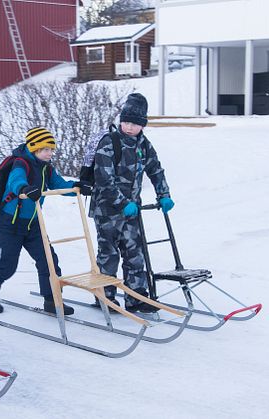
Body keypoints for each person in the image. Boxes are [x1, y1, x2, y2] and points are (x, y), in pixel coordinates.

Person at [0, 127, 91, 315]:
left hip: (33, 223)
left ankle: (52, 300)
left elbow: (60, 184)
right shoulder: (21, 164)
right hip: (11, 223)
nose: (49, 153)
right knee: (6, 264)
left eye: (51, 149)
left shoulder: (47, 168)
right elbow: (16, 181)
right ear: (34, 148)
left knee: (48, 260)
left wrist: (77, 187)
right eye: (45, 149)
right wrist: (25, 188)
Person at [89, 93, 175, 313]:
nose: (129, 127)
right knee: (109, 254)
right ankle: (104, 297)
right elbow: (103, 178)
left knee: (134, 253)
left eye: (135, 124)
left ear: (142, 125)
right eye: (126, 122)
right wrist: (121, 202)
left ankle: (136, 297)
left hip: (131, 210)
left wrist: (163, 194)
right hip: (107, 210)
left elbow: (155, 169)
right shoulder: (109, 142)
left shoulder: (144, 145)